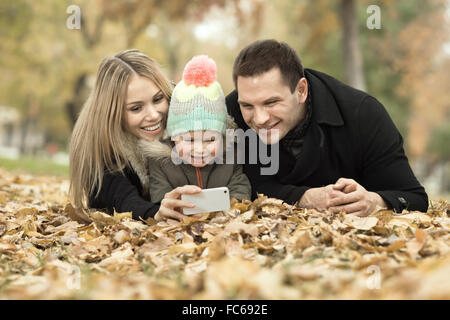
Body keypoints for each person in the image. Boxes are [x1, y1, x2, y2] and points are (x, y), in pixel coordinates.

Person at [225, 39, 428, 216]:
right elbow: (226, 185)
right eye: (248, 105)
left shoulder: (362, 113)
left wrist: (375, 201)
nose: (259, 119)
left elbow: (414, 198)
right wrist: (303, 198)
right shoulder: (228, 114)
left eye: (271, 103)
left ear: (301, 91)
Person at [69, 49, 202, 221]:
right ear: (113, 113)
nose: (154, 115)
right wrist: (155, 214)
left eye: (157, 99)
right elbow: (121, 199)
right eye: (136, 108)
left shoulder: (190, 111)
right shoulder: (100, 146)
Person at [139, 55, 251, 204]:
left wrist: (233, 205)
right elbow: (159, 193)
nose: (199, 149)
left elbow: (240, 185)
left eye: (210, 139)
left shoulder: (231, 155)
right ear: (173, 137)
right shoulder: (160, 162)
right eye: (189, 140)